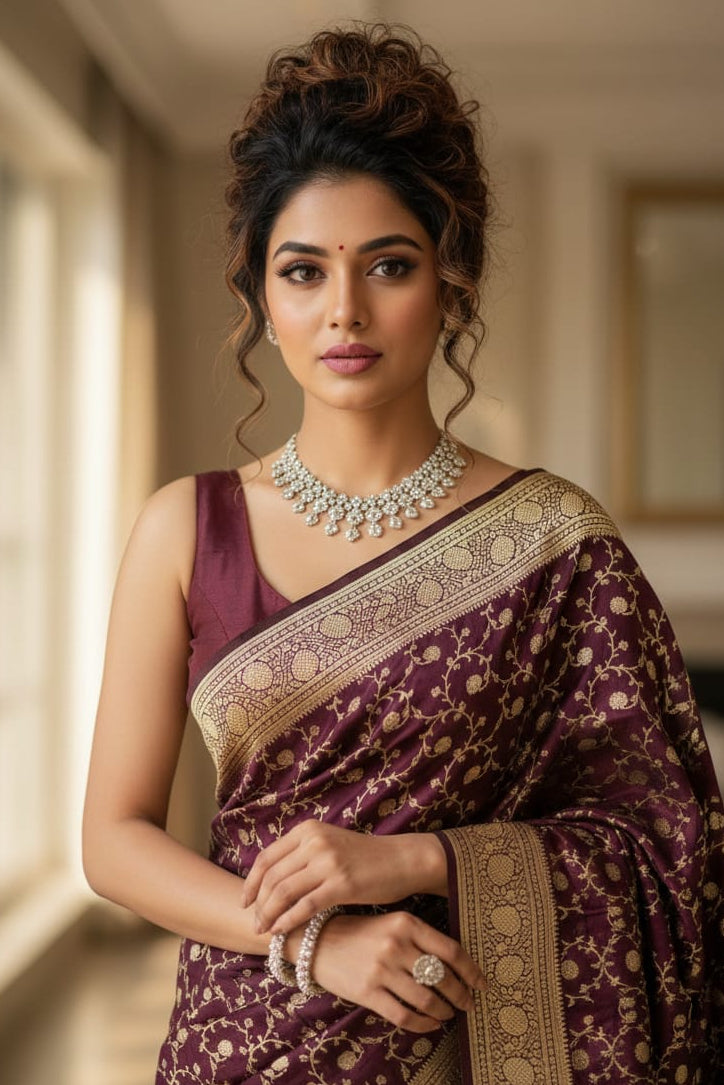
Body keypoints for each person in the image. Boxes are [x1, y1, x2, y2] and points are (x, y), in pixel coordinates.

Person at [82, 22, 724, 1085]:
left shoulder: (555, 545)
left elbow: (669, 843)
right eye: (303, 271)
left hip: (461, 1040)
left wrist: (415, 860)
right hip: (237, 1044)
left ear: (451, 284)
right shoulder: (185, 528)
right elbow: (113, 839)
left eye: (388, 265)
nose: (345, 311)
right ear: (262, 299)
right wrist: (317, 943)